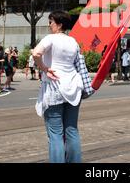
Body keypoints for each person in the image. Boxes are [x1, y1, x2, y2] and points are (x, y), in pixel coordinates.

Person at [34, 10, 93, 163]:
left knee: (55, 134)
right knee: (72, 130)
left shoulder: (51, 38)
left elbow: (36, 54)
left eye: (50, 22)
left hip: (55, 88)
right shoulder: (73, 41)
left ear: (59, 24)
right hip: (74, 87)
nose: (49, 25)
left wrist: (45, 68)